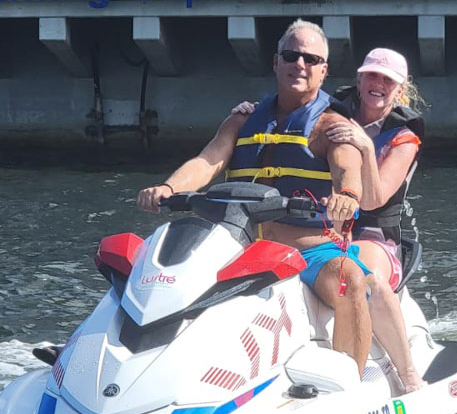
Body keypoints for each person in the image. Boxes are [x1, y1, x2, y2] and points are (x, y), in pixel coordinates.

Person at [137, 19, 374, 377]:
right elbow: (208, 161)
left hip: (309, 252)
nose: (300, 65)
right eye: (291, 56)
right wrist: (169, 188)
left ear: (323, 71)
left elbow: (346, 167)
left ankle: (349, 384)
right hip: (238, 245)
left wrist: (347, 195)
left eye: (311, 59)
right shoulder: (243, 120)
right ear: (276, 62)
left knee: (350, 280)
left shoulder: (331, 125)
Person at [323, 48, 425, 391]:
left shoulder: (404, 137)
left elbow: (374, 198)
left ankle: (409, 376)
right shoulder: (331, 113)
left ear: (399, 89)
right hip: (319, 227)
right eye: (372, 75)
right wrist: (251, 113)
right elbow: (287, 115)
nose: (377, 84)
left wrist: (366, 147)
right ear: (359, 79)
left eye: (387, 80)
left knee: (365, 278)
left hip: (374, 236)